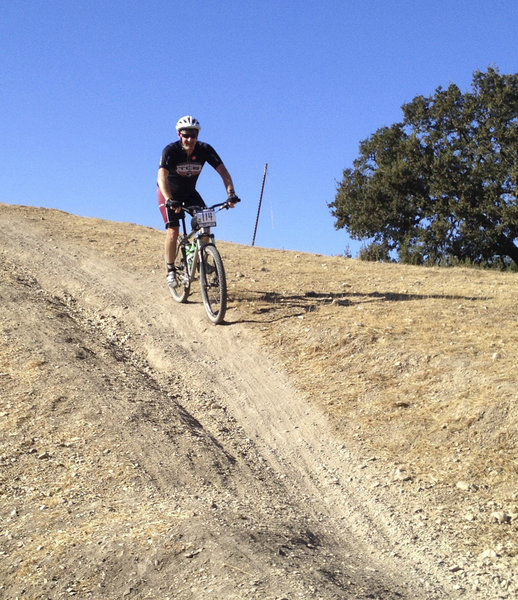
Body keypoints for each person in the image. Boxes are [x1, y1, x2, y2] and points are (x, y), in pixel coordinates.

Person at [157, 115, 239, 286]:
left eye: (193, 135)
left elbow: (224, 172)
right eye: (186, 135)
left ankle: (201, 258)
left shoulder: (204, 149)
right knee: (173, 230)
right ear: (179, 135)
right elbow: (161, 177)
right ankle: (171, 269)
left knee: (206, 220)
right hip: (169, 193)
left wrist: (231, 194)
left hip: (189, 193)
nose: (190, 139)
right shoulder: (170, 151)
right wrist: (169, 199)